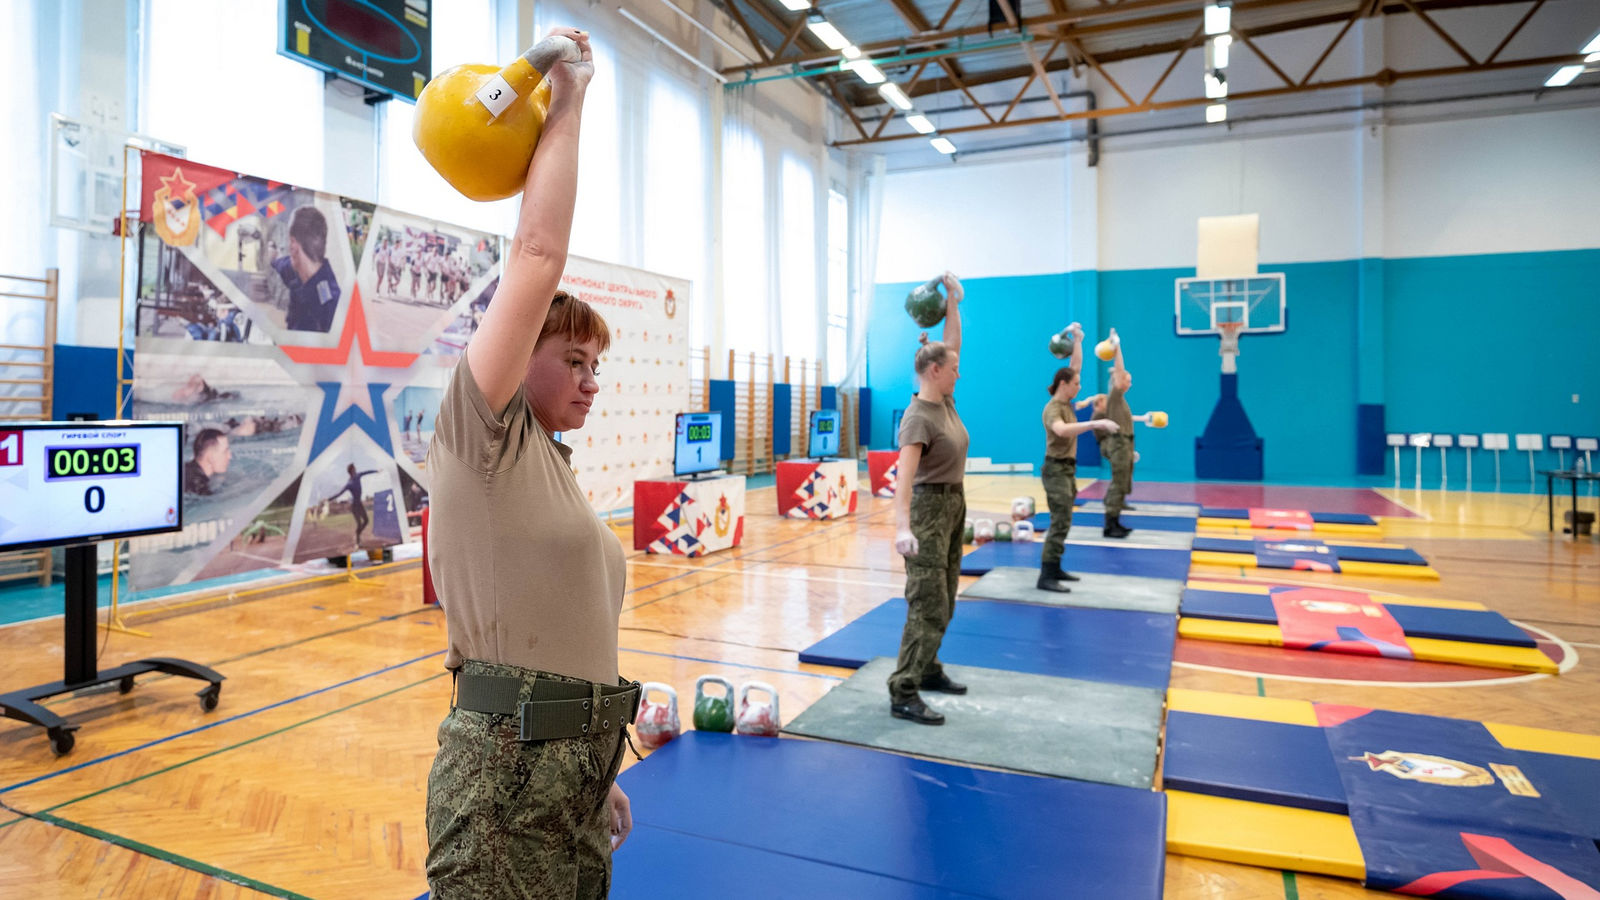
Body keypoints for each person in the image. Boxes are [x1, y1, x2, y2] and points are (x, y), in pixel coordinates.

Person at [423, 29, 641, 900]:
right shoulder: (481, 434)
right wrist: (570, 99)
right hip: (502, 793)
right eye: (574, 361)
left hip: (573, 779)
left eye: (599, 366)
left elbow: (566, 638)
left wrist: (597, 769)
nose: (591, 383)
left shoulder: (552, 466)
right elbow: (539, 254)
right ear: (519, 355)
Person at [888, 272, 968, 727]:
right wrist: (902, 527)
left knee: (948, 596)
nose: (959, 371)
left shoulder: (946, 402)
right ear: (934, 372)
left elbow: (950, 345)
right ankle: (904, 688)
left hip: (953, 504)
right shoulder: (919, 417)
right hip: (928, 511)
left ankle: (928, 665)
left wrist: (952, 300)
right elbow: (903, 479)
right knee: (928, 601)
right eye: (952, 367)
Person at [1038, 324, 1120, 591]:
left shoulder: (1065, 403)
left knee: (1064, 520)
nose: (1079, 386)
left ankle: (1056, 567)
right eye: (1075, 384)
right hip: (1055, 470)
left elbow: (1075, 365)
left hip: (1066, 470)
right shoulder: (1053, 409)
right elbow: (1061, 430)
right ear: (1064, 385)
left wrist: (1079, 340)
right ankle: (1046, 575)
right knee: (1059, 520)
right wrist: (1095, 425)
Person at [1092, 328, 1137, 538]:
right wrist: (1117, 347)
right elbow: (1119, 371)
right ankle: (1110, 525)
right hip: (1118, 444)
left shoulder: (1122, 403)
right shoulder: (1115, 397)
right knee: (1118, 483)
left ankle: (1116, 521)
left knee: (1123, 483)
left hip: (1125, 444)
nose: (1129, 383)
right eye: (1127, 379)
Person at [272, 205, 341, 333]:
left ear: (293, 245)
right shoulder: (295, 271)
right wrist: (273, 259)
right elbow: (281, 264)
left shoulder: (331, 306)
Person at [326, 464, 378, 545]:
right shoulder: (349, 484)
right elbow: (340, 493)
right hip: (354, 506)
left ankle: (357, 533)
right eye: (354, 468)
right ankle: (357, 541)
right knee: (359, 524)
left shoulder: (358, 475)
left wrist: (376, 471)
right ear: (351, 471)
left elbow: (367, 472)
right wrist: (329, 499)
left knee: (366, 521)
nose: (356, 469)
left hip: (359, 504)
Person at [184, 428, 230, 496]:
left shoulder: (187, 469)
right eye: (225, 451)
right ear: (211, 456)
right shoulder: (196, 486)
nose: (229, 456)